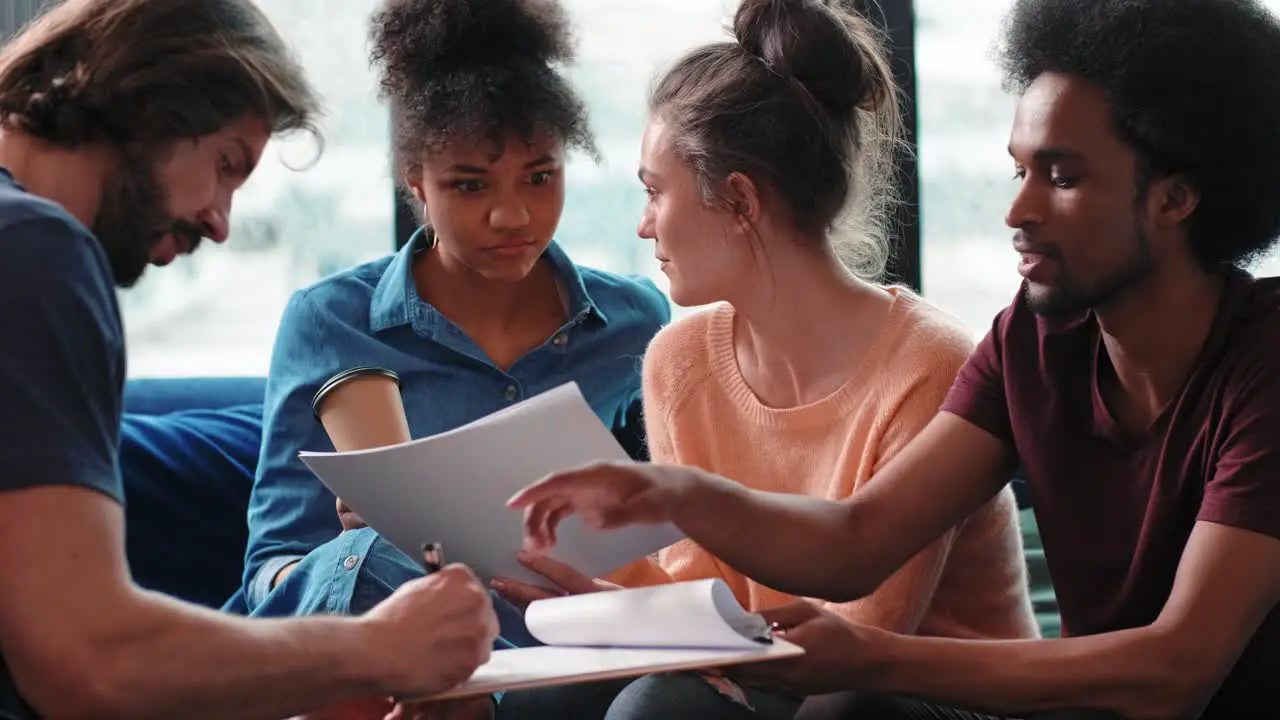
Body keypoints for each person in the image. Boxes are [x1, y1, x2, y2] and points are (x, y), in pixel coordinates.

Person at [510, 0, 1280, 718]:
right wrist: (672, 495)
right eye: (1020, 172)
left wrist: (871, 660)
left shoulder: (1265, 363)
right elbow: (856, 541)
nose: (1018, 211)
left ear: (1177, 199)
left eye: (1064, 177)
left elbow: (1178, 670)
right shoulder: (1034, 345)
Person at [490, 1, 1037, 718]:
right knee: (538, 700)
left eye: (656, 192)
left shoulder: (927, 364)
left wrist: (698, 656)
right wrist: (600, 604)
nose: (643, 223)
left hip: (908, 695)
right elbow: (704, 595)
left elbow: (862, 647)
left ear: (740, 200)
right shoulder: (679, 360)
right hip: (771, 674)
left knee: (662, 706)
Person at [0, 1, 502, 719]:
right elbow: (87, 661)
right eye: (226, 166)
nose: (220, 220)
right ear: (155, 100)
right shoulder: (35, 249)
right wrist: (380, 647)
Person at [234, 0, 668, 715]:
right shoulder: (330, 322)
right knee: (373, 563)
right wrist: (371, 541)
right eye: (470, 185)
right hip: (385, 650)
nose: (513, 216)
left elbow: (665, 546)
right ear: (415, 185)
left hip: (565, 665)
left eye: (540, 177)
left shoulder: (634, 323)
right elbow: (273, 576)